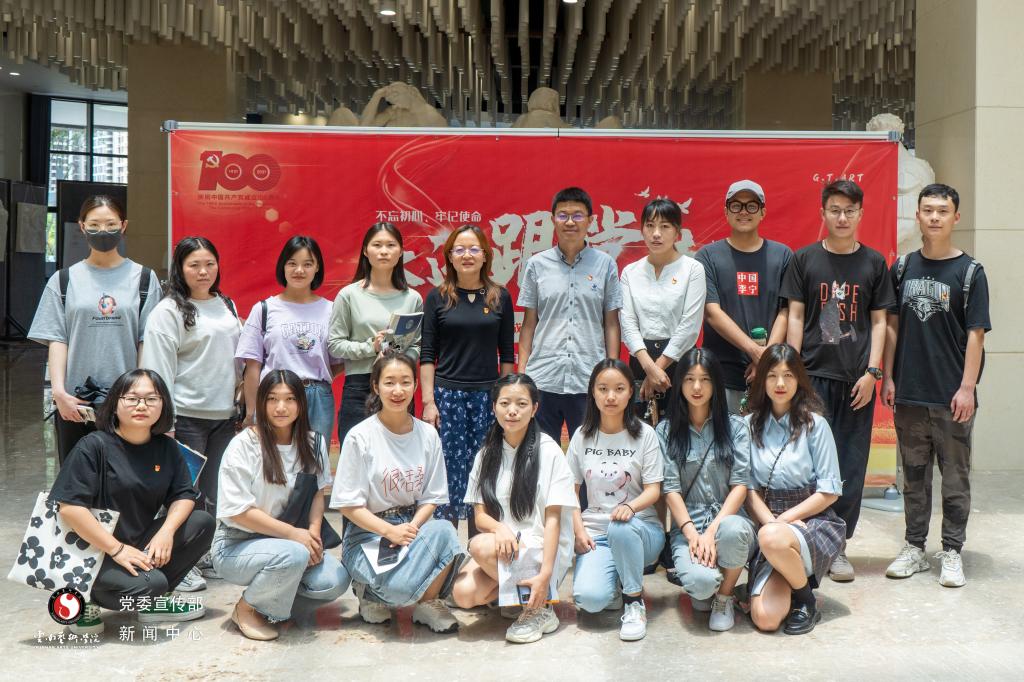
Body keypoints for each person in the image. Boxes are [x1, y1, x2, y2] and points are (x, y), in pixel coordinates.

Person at [781, 179, 895, 582]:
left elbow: (879, 322)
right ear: (823, 213)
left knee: (849, 465)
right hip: (812, 377)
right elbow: (796, 316)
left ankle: (838, 547)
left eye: (849, 210)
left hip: (856, 383)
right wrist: (793, 372)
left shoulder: (874, 263)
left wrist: (872, 373)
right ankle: (806, 541)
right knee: (807, 466)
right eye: (835, 210)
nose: (842, 217)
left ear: (860, 214)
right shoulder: (804, 259)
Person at [882, 183, 991, 588]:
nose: (934, 217)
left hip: (952, 396)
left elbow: (977, 335)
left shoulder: (970, 272)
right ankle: (914, 548)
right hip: (910, 393)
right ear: (917, 215)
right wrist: (888, 375)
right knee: (913, 477)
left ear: (955, 217)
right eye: (927, 210)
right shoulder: (902, 267)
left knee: (955, 478)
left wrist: (967, 388)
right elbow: (892, 327)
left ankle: (951, 551)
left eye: (942, 211)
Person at [49, 369, 214, 635]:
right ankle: (83, 595)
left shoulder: (167, 448)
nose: (141, 405)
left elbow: (183, 495)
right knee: (152, 584)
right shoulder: (94, 446)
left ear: (163, 405)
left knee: (202, 522)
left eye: (151, 399)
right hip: (90, 549)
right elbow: (70, 507)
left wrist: (166, 532)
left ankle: (153, 603)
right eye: (132, 398)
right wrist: (116, 549)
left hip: (135, 542)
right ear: (115, 403)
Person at [330, 352, 465, 634]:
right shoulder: (360, 436)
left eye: (405, 382)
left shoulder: (428, 434)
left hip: (411, 526)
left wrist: (411, 528)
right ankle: (367, 590)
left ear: (415, 386)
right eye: (389, 382)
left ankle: (428, 602)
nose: (398, 390)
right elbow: (348, 505)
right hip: (367, 533)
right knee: (399, 591)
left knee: (445, 531)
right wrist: (389, 531)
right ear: (376, 386)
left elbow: (432, 497)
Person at [213, 369, 349, 641]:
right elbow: (238, 512)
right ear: (261, 402)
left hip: (289, 541)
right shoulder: (244, 445)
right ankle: (247, 609)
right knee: (294, 554)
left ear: (301, 403)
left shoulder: (313, 442)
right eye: (272, 399)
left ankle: (275, 596)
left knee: (335, 581)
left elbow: (317, 492)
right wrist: (295, 536)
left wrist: (312, 535)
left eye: (289, 399)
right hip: (237, 543)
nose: (281, 407)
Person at [28, 195, 162, 464]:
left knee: (125, 477)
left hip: (127, 402)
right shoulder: (63, 280)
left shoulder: (145, 279)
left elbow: (146, 341)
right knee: (77, 477)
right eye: (94, 225)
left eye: (111, 224)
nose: (103, 231)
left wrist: (141, 396)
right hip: (75, 404)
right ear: (82, 226)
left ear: (123, 226)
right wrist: (59, 393)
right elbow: (57, 339)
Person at [141, 237, 242, 591]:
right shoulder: (168, 311)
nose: (203, 272)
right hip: (185, 418)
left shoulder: (226, 304)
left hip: (224, 417)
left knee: (214, 492)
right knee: (183, 495)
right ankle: (177, 563)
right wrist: (163, 422)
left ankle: (203, 552)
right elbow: (157, 370)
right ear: (179, 269)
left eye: (209, 264)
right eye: (194, 265)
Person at [450, 374, 579, 644]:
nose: (512, 411)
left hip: (543, 548)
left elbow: (554, 521)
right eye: (505, 403)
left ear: (534, 409)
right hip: (506, 546)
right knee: (463, 594)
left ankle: (540, 607)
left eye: (521, 404)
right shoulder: (486, 453)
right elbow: (480, 517)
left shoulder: (549, 451)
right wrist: (500, 528)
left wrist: (546, 574)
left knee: (478, 545)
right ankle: (518, 597)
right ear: (493, 406)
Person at [744, 344, 845, 636]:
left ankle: (806, 601)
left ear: (799, 379)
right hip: (767, 521)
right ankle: (794, 585)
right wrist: (772, 523)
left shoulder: (816, 425)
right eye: (772, 375)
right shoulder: (748, 425)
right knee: (765, 620)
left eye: (788, 375)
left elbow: (829, 492)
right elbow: (747, 489)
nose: (780, 383)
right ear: (761, 380)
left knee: (772, 537)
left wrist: (784, 520)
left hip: (811, 520)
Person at [420, 225, 515, 531]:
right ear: (449, 256)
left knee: (484, 472)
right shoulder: (438, 297)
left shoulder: (499, 296)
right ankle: (445, 548)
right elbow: (427, 354)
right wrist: (429, 401)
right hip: (448, 398)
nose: (467, 255)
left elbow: (507, 355)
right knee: (448, 474)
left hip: (487, 398)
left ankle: (479, 544)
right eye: (459, 249)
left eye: (474, 249)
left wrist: (504, 400)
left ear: (486, 255)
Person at [657, 348, 755, 632]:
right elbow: (670, 489)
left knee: (733, 532)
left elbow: (740, 485)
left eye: (705, 380)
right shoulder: (666, 431)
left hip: (729, 519)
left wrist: (712, 531)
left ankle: (724, 596)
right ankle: (711, 584)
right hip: (689, 522)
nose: (697, 387)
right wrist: (692, 534)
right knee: (700, 589)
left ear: (716, 384)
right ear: (679, 383)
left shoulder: (736, 427)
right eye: (689, 379)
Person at [517, 186, 623, 445]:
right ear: (553, 219)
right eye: (563, 215)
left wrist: (610, 370)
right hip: (543, 377)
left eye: (577, 215)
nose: (570, 222)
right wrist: (522, 376)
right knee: (539, 455)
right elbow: (529, 325)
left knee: (590, 455)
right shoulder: (537, 265)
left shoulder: (605, 264)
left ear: (590, 220)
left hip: (589, 378)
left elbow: (611, 323)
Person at [568, 359, 663, 641]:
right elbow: (570, 491)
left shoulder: (645, 435)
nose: (611, 396)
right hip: (596, 534)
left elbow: (654, 490)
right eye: (603, 389)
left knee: (621, 527)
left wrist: (630, 507)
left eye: (619, 389)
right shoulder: (582, 436)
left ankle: (634, 601)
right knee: (589, 600)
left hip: (640, 530)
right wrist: (579, 531)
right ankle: (618, 578)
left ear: (630, 392)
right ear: (593, 392)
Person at [695, 180, 791, 414]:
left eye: (751, 206)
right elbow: (712, 312)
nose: (744, 212)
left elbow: (786, 311)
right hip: (719, 374)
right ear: (726, 211)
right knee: (721, 437)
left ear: (763, 212)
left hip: (772, 376)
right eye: (736, 205)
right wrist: (757, 353)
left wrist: (765, 359)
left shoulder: (783, 255)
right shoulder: (707, 256)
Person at [235, 236, 340, 443]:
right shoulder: (264, 309)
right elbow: (253, 366)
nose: (299, 270)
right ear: (283, 266)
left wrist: (315, 376)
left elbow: (337, 360)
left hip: (317, 398)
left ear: (317, 267)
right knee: (273, 458)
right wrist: (251, 413)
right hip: (275, 395)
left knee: (315, 459)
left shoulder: (332, 310)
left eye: (307, 264)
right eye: (292, 263)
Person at [329, 222, 423, 446]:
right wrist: (371, 347)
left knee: (400, 453)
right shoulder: (349, 295)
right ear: (365, 251)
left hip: (398, 386)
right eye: (377, 245)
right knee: (357, 453)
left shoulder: (412, 298)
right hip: (359, 385)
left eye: (391, 245)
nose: (384, 251)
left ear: (400, 252)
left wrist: (397, 359)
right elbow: (335, 344)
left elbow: (417, 345)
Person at [619, 197, 706, 420]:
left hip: (680, 359)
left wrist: (658, 368)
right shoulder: (630, 272)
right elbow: (627, 323)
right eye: (650, 226)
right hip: (640, 360)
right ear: (642, 230)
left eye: (665, 226)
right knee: (641, 426)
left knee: (682, 426)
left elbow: (690, 326)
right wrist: (649, 368)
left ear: (678, 233)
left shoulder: (693, 269)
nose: (656, 234)